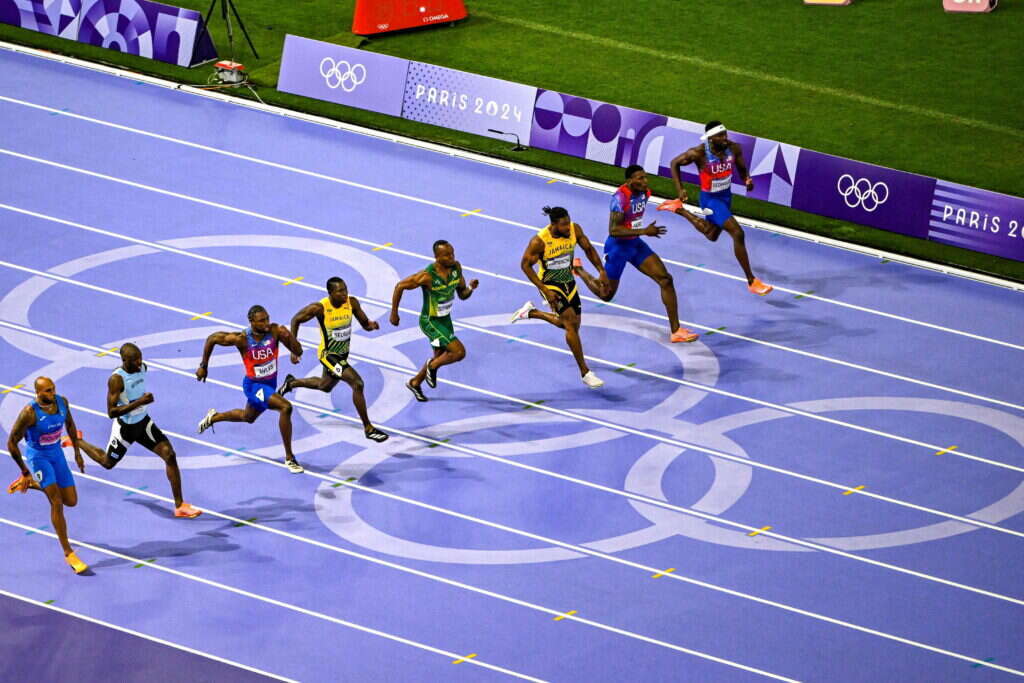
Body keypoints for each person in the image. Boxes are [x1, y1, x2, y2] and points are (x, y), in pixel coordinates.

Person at [76, 344, 201, 517]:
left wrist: (141, 405)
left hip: (143, 423)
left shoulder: (142, 368)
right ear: (124, 360)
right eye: (135, 360)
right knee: (107, 463)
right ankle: (77, 441)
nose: (139, 362)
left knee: (169, 455)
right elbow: (111, 412)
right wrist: (140, 402)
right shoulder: (116, 380)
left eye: (140, 358)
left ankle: (180, 506)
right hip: (125, 428)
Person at [662, 120, 773, 295]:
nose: (725, 138)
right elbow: (674, 163)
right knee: (737, 233)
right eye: (720, 136)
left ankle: (679, 209)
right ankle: (752, 281)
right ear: (710, 138)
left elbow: (742, 168)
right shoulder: (698, 153)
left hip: (726, 197)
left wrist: (747, 180)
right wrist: (680, 189)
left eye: (725, 134)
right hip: (710, 200)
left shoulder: (734, 148)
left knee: (712, 234)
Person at [593, 164, 700, 343]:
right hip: (618, 248)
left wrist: (677, 198)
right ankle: (579, 270)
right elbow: (613, 230)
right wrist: (644, 231)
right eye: (640, 178)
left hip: (634, 244)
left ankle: (676, 331)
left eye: (645, 177)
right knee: (606, 295)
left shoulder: (645, 192)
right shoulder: (619, 198)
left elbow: (660, 198)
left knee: (665, 279)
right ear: (629, 181)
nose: (645, 181)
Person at [195, 305, 305, 473]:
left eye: (267, 318)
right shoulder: (242, 339)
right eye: (262, 321)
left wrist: (289, 338)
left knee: (248, 417)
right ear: (251, 322)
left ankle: (214, 417)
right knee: (286, 407)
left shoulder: (275, 331)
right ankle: (290, 458)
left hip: (270, 384)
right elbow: (212, 338)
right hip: (254, 386)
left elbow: (298, 350)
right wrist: (204, 366)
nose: (266, 323)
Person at [280, 277, 389, 442]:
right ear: (330, 293)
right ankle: (368, 428)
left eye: (345, 289)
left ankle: (291, 383)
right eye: (340, 291)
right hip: (328, 355)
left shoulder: (351, 303)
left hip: (343, 354)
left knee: (325, 386)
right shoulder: (320, 308)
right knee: (357, 383)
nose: (344, 293)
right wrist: (293, 348)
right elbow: (296, 319)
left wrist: (371, 325)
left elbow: (365, 323)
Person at [511, 206, 606, 388]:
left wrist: (601, 270)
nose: (568, 227)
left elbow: (589, 249)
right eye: (563, 225)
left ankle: (532, 313)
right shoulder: (539, 241)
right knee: (570, 324)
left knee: (571, 325)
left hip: (568, 281)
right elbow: (525, 266)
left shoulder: (574, 230)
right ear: (553, 224)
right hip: (550, 285)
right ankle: (585, 373)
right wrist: (545, 291)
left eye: (568, 222)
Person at [6, 378, 90, 573]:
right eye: (48, 391)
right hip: (39, 458)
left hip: (57, 454)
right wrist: (25, 470)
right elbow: (12, 442)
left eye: (53, 389)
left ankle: (33, 484)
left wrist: (77, 452)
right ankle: (69, 553)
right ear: (38, 393)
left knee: (71, 501)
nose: (53, 393)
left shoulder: (62, 402)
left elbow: (70, 425)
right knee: (57, 502)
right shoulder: (29, 413)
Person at [390, 240, 478, 402]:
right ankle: (432, 367)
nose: (452, 257)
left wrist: (471, 288)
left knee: (439, 355)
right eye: (447, 255)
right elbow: (400, 286)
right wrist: (394, 313)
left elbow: (462, 295)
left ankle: (415, 382)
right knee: (458, 352)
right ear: (437, 257)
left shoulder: (456, 268)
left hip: (445, 320)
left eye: (452, 253)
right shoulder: (427, 276)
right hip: (431, 322)